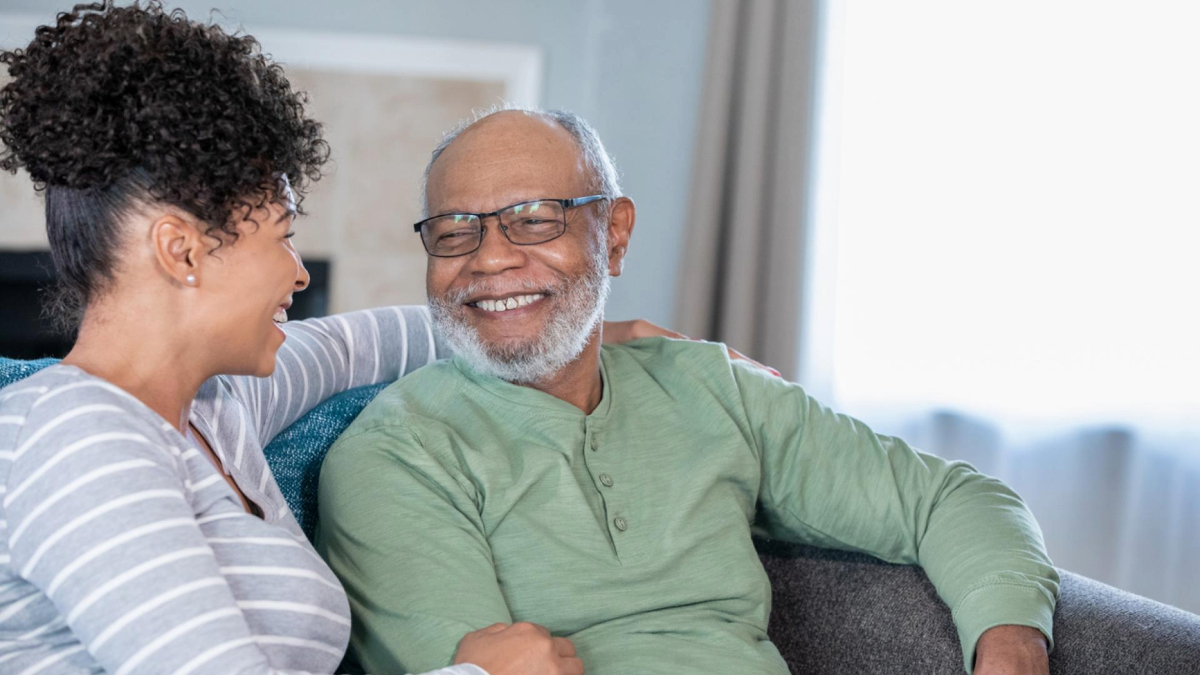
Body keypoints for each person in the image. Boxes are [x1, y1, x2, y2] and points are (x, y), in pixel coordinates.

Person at [0, 4, 687, 673]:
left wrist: (563, 326)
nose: (298, 272)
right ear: (181, 251)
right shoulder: (82, 438)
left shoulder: (216, 409)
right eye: (284, 235)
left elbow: (368, 343)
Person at [316, 107, 1061, 675]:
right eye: (455, 232)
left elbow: (950, 499)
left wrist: (1009, 635)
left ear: (614, 234)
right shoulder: (394, 455)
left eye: (534, 220)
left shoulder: (713, 388)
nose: (492, 258)